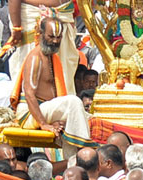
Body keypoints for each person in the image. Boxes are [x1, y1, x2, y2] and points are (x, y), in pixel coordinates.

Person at [11, 17, 89, 154]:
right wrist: (43, 124)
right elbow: (29, 94)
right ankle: (85, 151)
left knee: (85, 116)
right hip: (29, 114)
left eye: (59, 37)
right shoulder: (36, 57)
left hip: (44, 110)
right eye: (51, 36)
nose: (55, 41)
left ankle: (73, 162)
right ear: (41, 34)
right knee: (73, 102)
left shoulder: (51, 56)